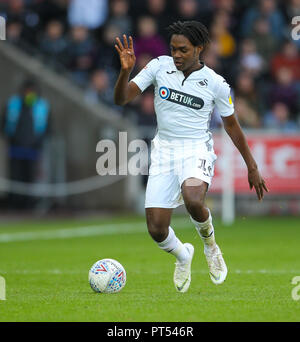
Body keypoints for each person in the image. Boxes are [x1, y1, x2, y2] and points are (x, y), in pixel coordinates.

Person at [114, 21, 268, 293]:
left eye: (183, 50)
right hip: (163, 152)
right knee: (157, 230)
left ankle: (210, 247)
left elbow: (232, 126)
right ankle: (184, 255)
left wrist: (252, 166)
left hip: (196, 148)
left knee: (193, 198)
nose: (177, 55)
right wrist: (125, 72)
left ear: (200, 48)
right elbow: (122, 98)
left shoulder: (216, 84)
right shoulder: (159, 66)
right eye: (173, 49)